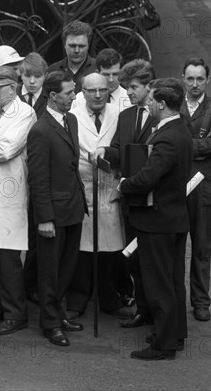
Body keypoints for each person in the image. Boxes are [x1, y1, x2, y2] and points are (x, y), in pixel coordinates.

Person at [118, 78, 192, 361]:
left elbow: (149, 176)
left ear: (161, 104)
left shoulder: (167, 137)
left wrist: (124, 184)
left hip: (158, 222)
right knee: (172, 281)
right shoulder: (180, 131)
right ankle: (174, 334)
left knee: (159, 283)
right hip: (174, 219)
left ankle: (164, 345)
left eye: (151, 101)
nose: (147, 104)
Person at [93, 58, 158, 328]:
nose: (128, 93)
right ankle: (143, 310)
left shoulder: (162, 114)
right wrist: (104, 152)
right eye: (126, 87)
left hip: (157, 201)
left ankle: (160, 312)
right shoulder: (126, 115)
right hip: (131, 199)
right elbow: (119, 149)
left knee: (156, 260)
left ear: (148, 86)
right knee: (135, 258)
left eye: (133, 87)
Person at [27, 71, 88, 347]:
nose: (74, 96)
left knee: (67, 267)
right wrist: (45, 218)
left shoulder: (71, 120)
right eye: (68, 93)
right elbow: (38, 178)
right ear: (52, 96)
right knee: (50, 272)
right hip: (53, 214)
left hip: (73, 208)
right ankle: (50, 323)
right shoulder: (40, 130)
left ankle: (58, 313)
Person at [65, 73, 125, 318]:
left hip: (110, 188)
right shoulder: (73, 117)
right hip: (85, 187)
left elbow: (122, 147)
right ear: (83, 92)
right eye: (92, 91)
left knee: (110, 249)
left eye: (102, 90)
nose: (98, 95)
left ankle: (109, 298)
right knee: (82, 249)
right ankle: (77, 300)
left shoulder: (119, 114)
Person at [0, 66, 37, 335]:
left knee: (8, 255)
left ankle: (17, 313)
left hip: (10, 193)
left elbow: (5, 150)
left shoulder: (24, 113)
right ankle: (3, 306)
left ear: (13, 88)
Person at [180, 58, 211, 322]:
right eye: (190, 78)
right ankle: (175, 297)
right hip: (176, 181)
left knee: (201, 243)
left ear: (208, 80)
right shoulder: (176, 104)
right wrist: (197, 144)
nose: (195, 84)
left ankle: (200, 302)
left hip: (205, 183)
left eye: (200, 79)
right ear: (182, 79)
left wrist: (184, 146)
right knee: (174, 242)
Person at [17, 52, 48, 305]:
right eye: (27, 75)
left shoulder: (49, 102)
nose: (32, 81)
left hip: (37, 170)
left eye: (37, 76)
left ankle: (32, 284)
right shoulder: (12, 99)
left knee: (36, 234)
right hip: (16, 171)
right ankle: (16, 285)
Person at [48, 20, 96, 94]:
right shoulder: (52, 70)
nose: (77, 50)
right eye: (72, 46)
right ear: (64, 45)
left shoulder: (98, 69)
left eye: (81, 46)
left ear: (88, 45)